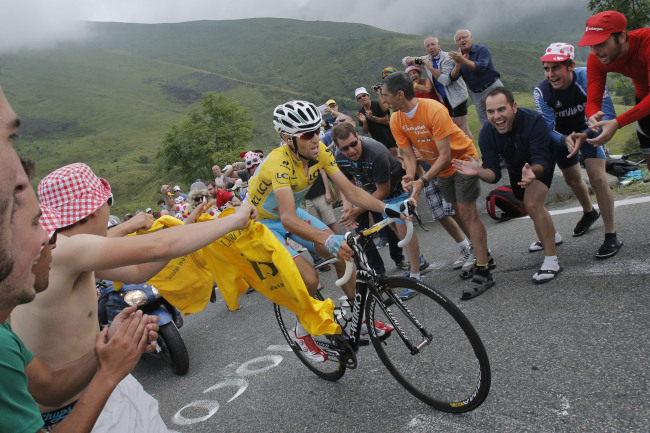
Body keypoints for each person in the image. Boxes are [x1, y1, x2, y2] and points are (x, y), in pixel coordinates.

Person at [11, 162, 257, 431]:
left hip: (99, 382)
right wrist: (235, 218)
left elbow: (139, 270)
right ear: (93, 209)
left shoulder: (66, 253)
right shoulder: (69, 249)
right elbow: (160, 245)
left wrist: (186, 225)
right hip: (81, 407)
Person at [248, 100, 409, 362]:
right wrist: (327, 239)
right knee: (310, 279)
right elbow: (287, 218)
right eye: (307, 134)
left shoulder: (319, 151)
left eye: (317, 129)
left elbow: (351, 191)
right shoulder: (277, 164)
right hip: (263, 224)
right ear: (288, 138)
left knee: (345, 253)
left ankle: (360, 316)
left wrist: (388, 208)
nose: (315, 138)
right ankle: (302, 330)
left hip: (288, 214)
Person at [381, 71, 495, 300]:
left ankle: (484, 271)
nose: (384, 100)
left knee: (467, 213)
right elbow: (409, 154)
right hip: (441, 168)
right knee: (457, 212)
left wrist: (421, 182)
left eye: (386, 96)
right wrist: (410, 177)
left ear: (400, 95)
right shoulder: (396, 119)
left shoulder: (434, 110)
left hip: (462, 160)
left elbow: (444, 155)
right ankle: (484, 256)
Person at [454, 87, 563, 283]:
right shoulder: (487, 132)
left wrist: (532, 173)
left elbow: (542, 161)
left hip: (538, 165)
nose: (497, 117)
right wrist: (478, 171)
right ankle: (552, 235)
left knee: (532, 203)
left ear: (514, 107)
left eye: (502, 109)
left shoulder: (533, 121)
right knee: (523, 204)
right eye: (491, 112)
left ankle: (551, 260)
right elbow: (494, 175)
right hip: (515, 167)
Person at [533, 42, 622, 258]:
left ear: (571, 66)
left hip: (589, 131)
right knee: (572, 179)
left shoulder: (588, 78)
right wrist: (564, 140)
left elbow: (607, 115)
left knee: (598, 178)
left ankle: (611, 235)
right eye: (546, 68)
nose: (550, 75)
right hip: (563, 136)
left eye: (556, 68)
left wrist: (587, 134)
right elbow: (547, 128)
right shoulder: (541, 91)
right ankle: (589, 212)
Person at [332, 122, 430, 299]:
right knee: (394, 230)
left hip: (397, 190)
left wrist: (358, 210)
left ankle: (416, 277)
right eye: (345, 148)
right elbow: (346, 185)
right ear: (338, 147)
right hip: (376, 195)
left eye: (354, 144)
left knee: (403, 228)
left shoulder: (376, 152)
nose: (351, 150)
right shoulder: (339, 156)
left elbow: (384, 190)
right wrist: (347, 206)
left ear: (358, 136)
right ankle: (419, 260)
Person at [578, 10, 650, 168]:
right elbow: (592, 102)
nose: (595, 51)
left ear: (622, 36)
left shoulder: (647, 42)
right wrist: (593, 118)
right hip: (644, 101)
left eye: (601, 43)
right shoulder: (597, 58)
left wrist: (617, 123)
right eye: (591, 45)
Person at [403, 35, 473, 140]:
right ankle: (462, 153)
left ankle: (473, 155)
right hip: (444, 98)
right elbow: (404, 61)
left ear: (438, 44)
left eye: (433, 44)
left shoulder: (448, 57)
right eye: (428, 46)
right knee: (452, 127)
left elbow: (446, 81)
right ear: (425, 49)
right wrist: (413, 59)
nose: (431, 47)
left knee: (462, 127)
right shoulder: (426, 59)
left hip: (457, 96)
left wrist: (430, 67)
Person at [450, 29, 503, 125]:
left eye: (464, 37)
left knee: (502, 117)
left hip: (492, 88)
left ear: (471, 37)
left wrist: (462, 60)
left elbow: (481, 67)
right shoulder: (458, 57)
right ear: (457, 43)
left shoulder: (482, 49)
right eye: (459, 39)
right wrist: (457, 64)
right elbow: (453, 77)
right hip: (476, 95)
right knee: (486, 124)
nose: (462, 40)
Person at [355, 86, 399, 158]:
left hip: (389, 137)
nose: (362, 98)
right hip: (377, 141)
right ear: (358, 101)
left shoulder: (377, 105)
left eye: (364, 95)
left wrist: (372, 118)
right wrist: (365, 122)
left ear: (368, 96)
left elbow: (386, 121)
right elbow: (365, 131)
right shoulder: (361, 113)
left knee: (396, 157)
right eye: (359, 98)